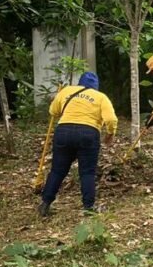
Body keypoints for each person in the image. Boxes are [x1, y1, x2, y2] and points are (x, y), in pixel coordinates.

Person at [38, 72, 117, 216]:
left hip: (63, 131)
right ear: (96, 86)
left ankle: (45, 203)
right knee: (87, 172)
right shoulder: (101, 97)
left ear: (80, 82)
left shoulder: (66, 91)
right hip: (88, 133)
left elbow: (53, 111)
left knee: (57, 170)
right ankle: (88, 207)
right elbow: (111, 119)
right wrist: (110, 134)